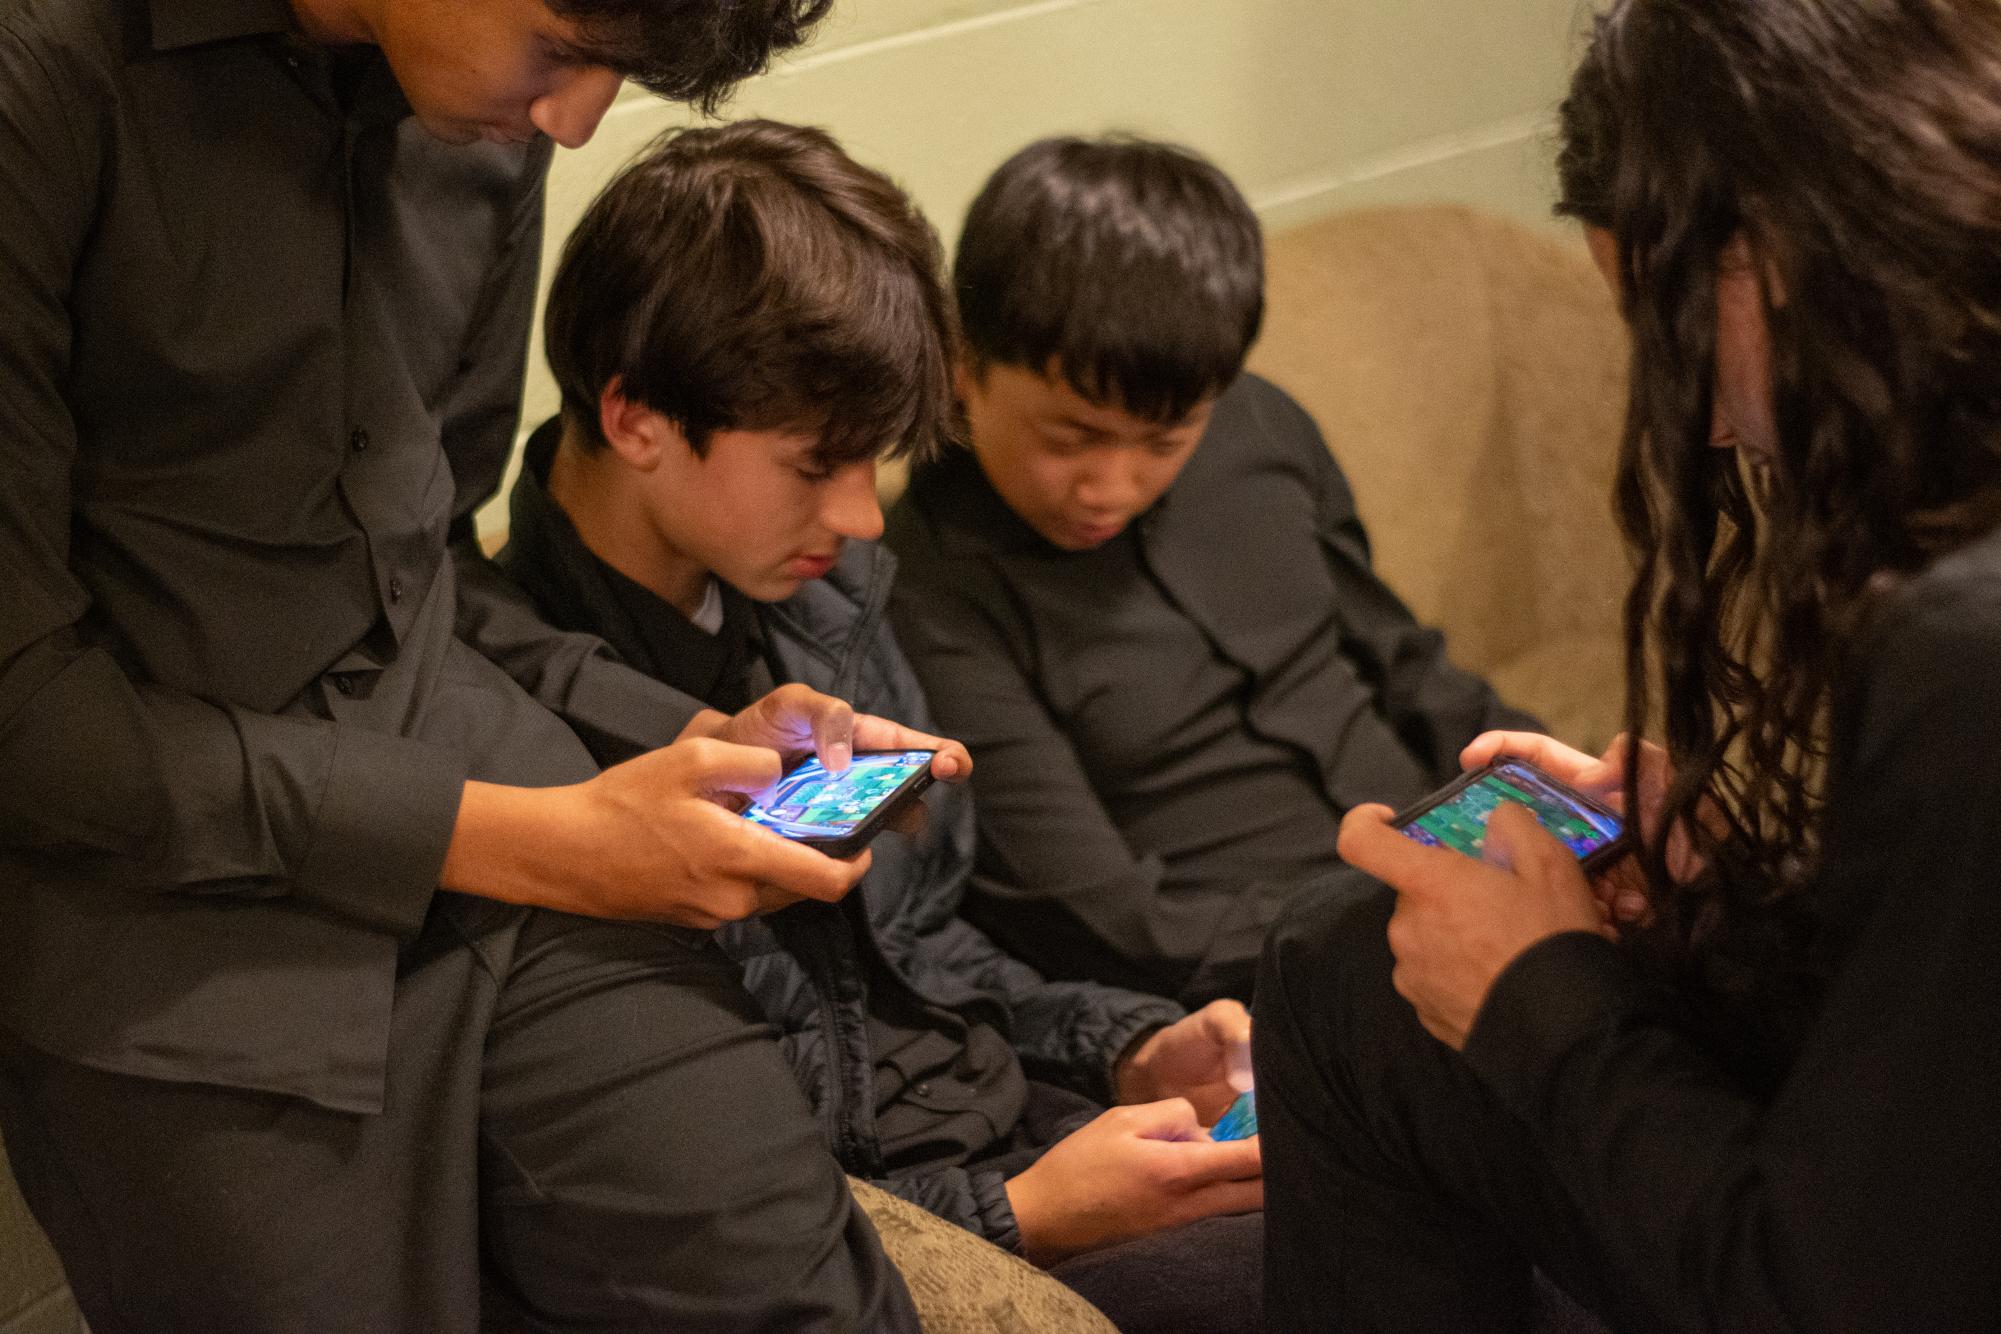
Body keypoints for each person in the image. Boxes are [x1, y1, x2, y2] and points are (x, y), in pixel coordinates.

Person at [0, 0, 954, 1328]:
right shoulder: (45, 78)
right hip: (170, 940)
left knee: (811, 1300)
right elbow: (28, 719)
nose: (574, 123)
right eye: (563, 48)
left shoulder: (477, 118)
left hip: (489, 809)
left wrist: (693, 735)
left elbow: (426, 568)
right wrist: (530, 837)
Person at [1254, 1, 2001, 1329]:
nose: (1698, 423)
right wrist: (1751, 904)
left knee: (1347, 981)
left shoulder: (1965, 653)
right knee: (1338, 962)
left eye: (1664, 332)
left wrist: (1531, 1000)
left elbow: (1818, 1290)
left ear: (1774, 249)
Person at [497, 117, 1267, 1334]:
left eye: (879, 463)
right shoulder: (520, 737)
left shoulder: (813, 601)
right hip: (899, 1232)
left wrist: (1126, 1043)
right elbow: (691, 1196)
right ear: (636, 416)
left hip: (1020, 1121)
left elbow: (922, 950)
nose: (863, 518)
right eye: (819, 464)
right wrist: (1020, 1210)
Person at [883, 135, 1537, 1006]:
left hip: (1454, 875)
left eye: (1164, 441)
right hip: (1272, 971)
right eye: (1069, 437)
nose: (1109, 488)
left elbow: (1408, 670)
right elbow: (1101, 920)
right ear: (965, 368)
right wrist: (1404, 911)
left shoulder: (1257, 429)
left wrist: (1571, 805)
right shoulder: (924, 583)